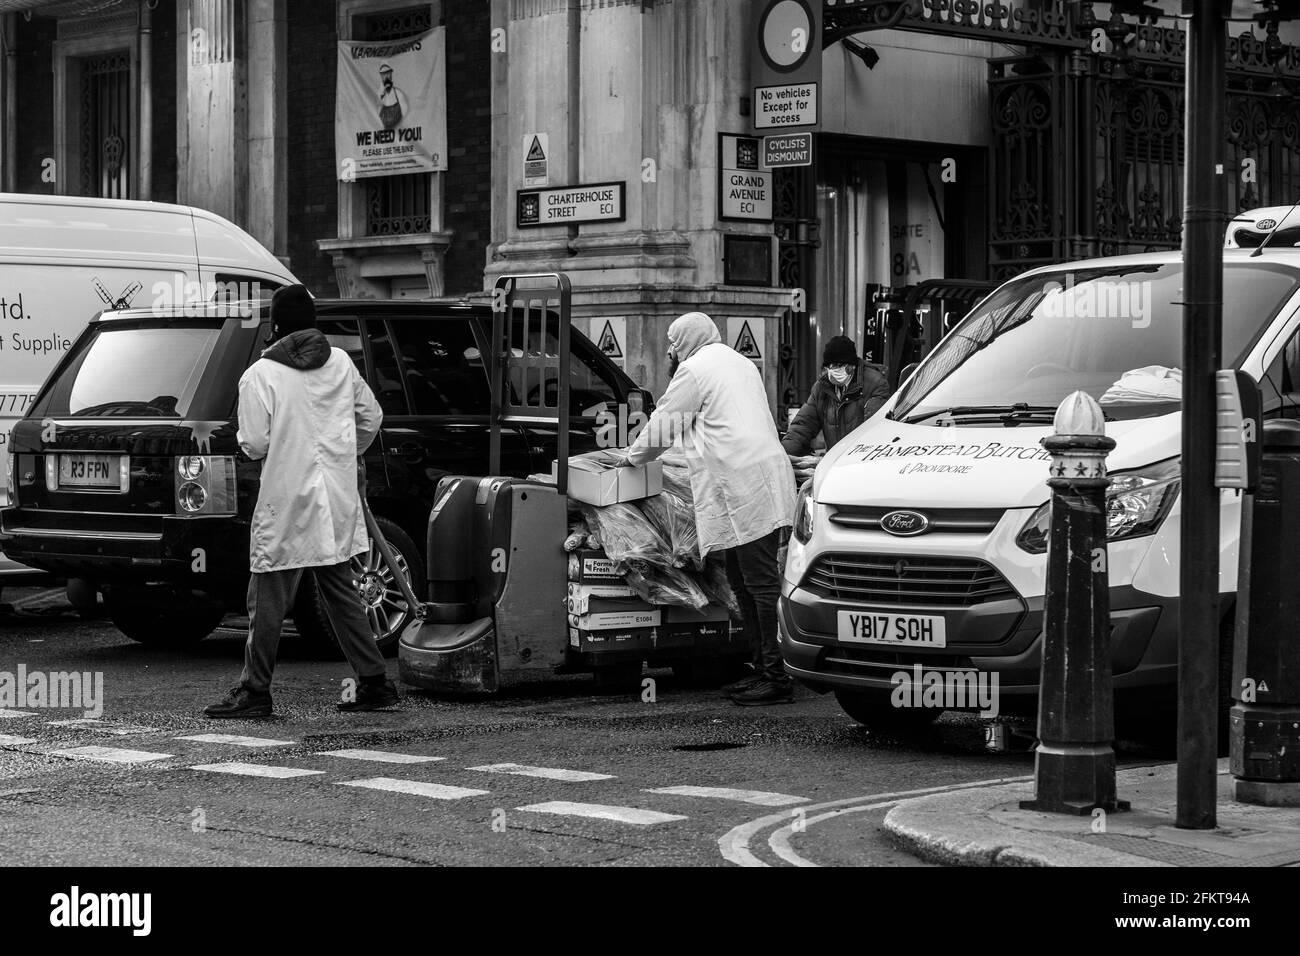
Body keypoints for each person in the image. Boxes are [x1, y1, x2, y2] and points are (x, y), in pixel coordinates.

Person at [205, 285, 398, 718]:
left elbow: (254, 443)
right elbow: (372, 417)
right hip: (335, 497)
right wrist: (349, 452)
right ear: (313, 325)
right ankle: (374, 683)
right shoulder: (342, 364)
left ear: (275, 328)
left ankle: (255, 692)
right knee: (342, 594)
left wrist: (248, 445)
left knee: (268, 598)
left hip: (287, 499)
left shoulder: (261, 374)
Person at [621, 312, 797, 705]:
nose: (670, 351)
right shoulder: (739, 362)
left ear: (685, 341)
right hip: (758, 477)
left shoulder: (696, 369)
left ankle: (777, 676)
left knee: (759, 582)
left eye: (673, 342)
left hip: (744, 484)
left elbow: (665, 424)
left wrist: (632, 459)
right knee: (744, 581)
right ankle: (761, 668)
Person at [781, 335, 891, 458]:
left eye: (838, 365)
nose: (833, 370)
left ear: (852, 365)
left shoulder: (875, 384)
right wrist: (784, 455)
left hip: (860, 463)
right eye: (830, 366)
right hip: (832, 464)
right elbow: (803, 425)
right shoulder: (821, 388)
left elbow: (874, 432)